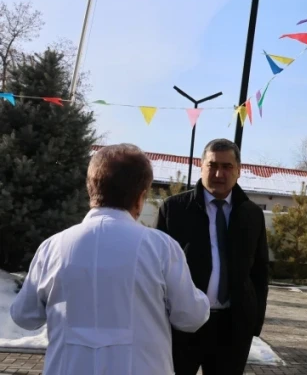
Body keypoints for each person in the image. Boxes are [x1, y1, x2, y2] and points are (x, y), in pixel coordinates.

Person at [10, 144, 210, 375]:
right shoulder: (160, 247)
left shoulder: (52, 247)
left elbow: (24, 317)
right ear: (141, 196)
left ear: (90, 188)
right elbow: (190, 316)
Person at [156, 138, 269, 375]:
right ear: (201, 167)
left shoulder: (252, 214)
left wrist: (254, 323)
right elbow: (158, 271)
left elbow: (260, 273)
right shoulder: (175, 209)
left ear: (238, 170)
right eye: (213, 165)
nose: (219, 174)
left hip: (233, 328)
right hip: (184, 326)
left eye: (227, 167)